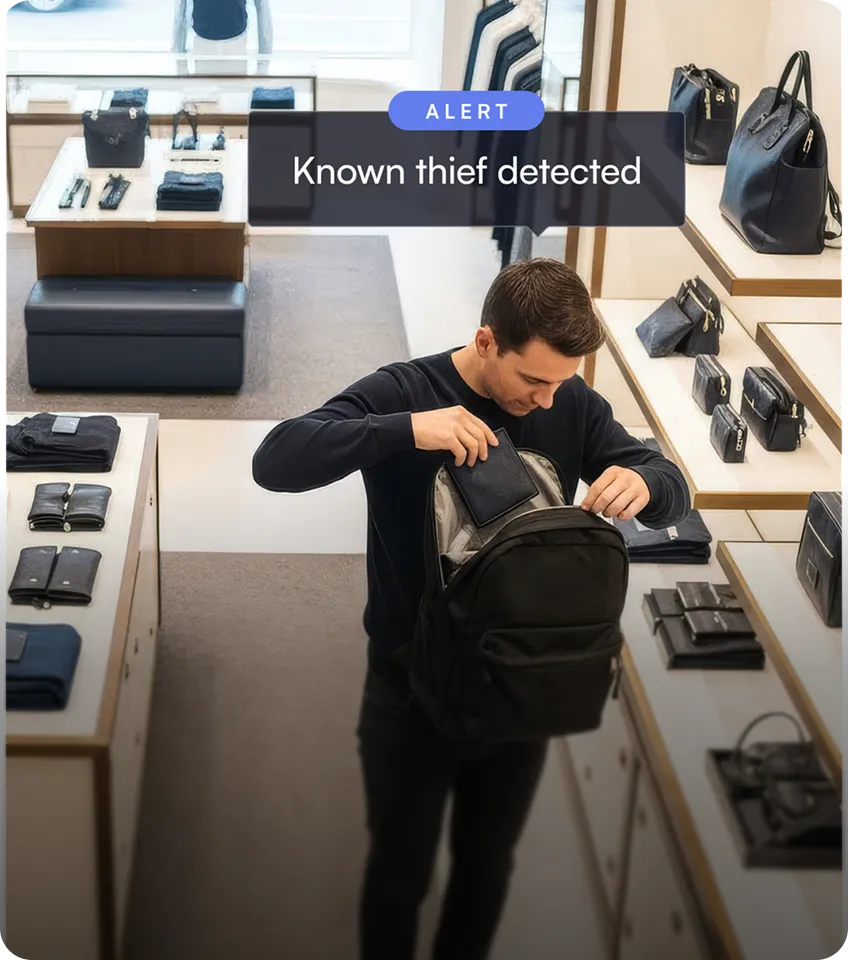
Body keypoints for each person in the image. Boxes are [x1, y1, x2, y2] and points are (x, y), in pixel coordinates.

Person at [252, 258, 690, 960]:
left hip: (521, 691)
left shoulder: (569, 403)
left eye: (561, 383)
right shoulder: (407, 390)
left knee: (487, 874)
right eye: (534, 381)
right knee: (399, 878)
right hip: (409, 692)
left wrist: (644, 482)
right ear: (486, 342)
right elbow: (276, 459)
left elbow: (672, 483)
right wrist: (404, 431)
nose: (548, 402)